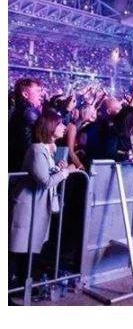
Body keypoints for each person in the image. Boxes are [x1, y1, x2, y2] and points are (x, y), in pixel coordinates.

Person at [9, 110, 77, 285]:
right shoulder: (36, 149)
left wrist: (58, 168)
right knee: (16, 250)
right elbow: (45, 181)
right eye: (60, 124)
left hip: (37, 207)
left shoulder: (46, 150)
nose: (64, 127)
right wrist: (65, 172)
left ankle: (22, 287)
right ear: (50, 127)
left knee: (27, 249)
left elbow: (45, 174)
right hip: (27, 207)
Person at [9, 78, 44, 172]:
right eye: (38, 91)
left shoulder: (20, 109)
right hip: (25, 164)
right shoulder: (30, 112)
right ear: (25, 94)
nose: (41, 94)